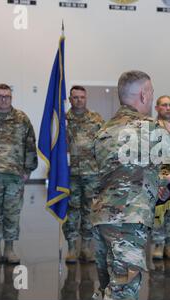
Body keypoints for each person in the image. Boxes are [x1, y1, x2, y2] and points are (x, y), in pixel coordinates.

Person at [90, 70, 170, 300]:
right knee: (123, 293)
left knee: (107, 288)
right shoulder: (148, 127)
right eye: (151, 93)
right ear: (143, 95)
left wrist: (159, 179)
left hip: (101, 222)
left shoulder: (104, 131)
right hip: (127, 224)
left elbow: (119, 174)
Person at [0, 83, 38, 265]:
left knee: (12, 213)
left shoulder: (21, 118)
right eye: (0, 96)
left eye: (7, 96)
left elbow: (30, 144)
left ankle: (9, 249)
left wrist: (28, 170)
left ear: (11, 98)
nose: (4, 99)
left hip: (15, 176)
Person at [64, 85, 104, 264]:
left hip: (92, 174)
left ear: (86, 98)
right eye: (75, 97)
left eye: (82, 97)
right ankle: (72, 247)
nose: (79, 100)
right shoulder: (63, 120)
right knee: (71, 211)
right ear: (70, 99)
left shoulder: (96, 119)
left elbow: (104, 145)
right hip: (69, 173)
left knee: (89, 211)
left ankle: (86, 247)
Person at [151, 95, 170, 260]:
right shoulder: (150, 128)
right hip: (157, 176)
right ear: (157, 108)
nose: (167, 108)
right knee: (157, 211)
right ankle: (158, 244)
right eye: (164, 105)